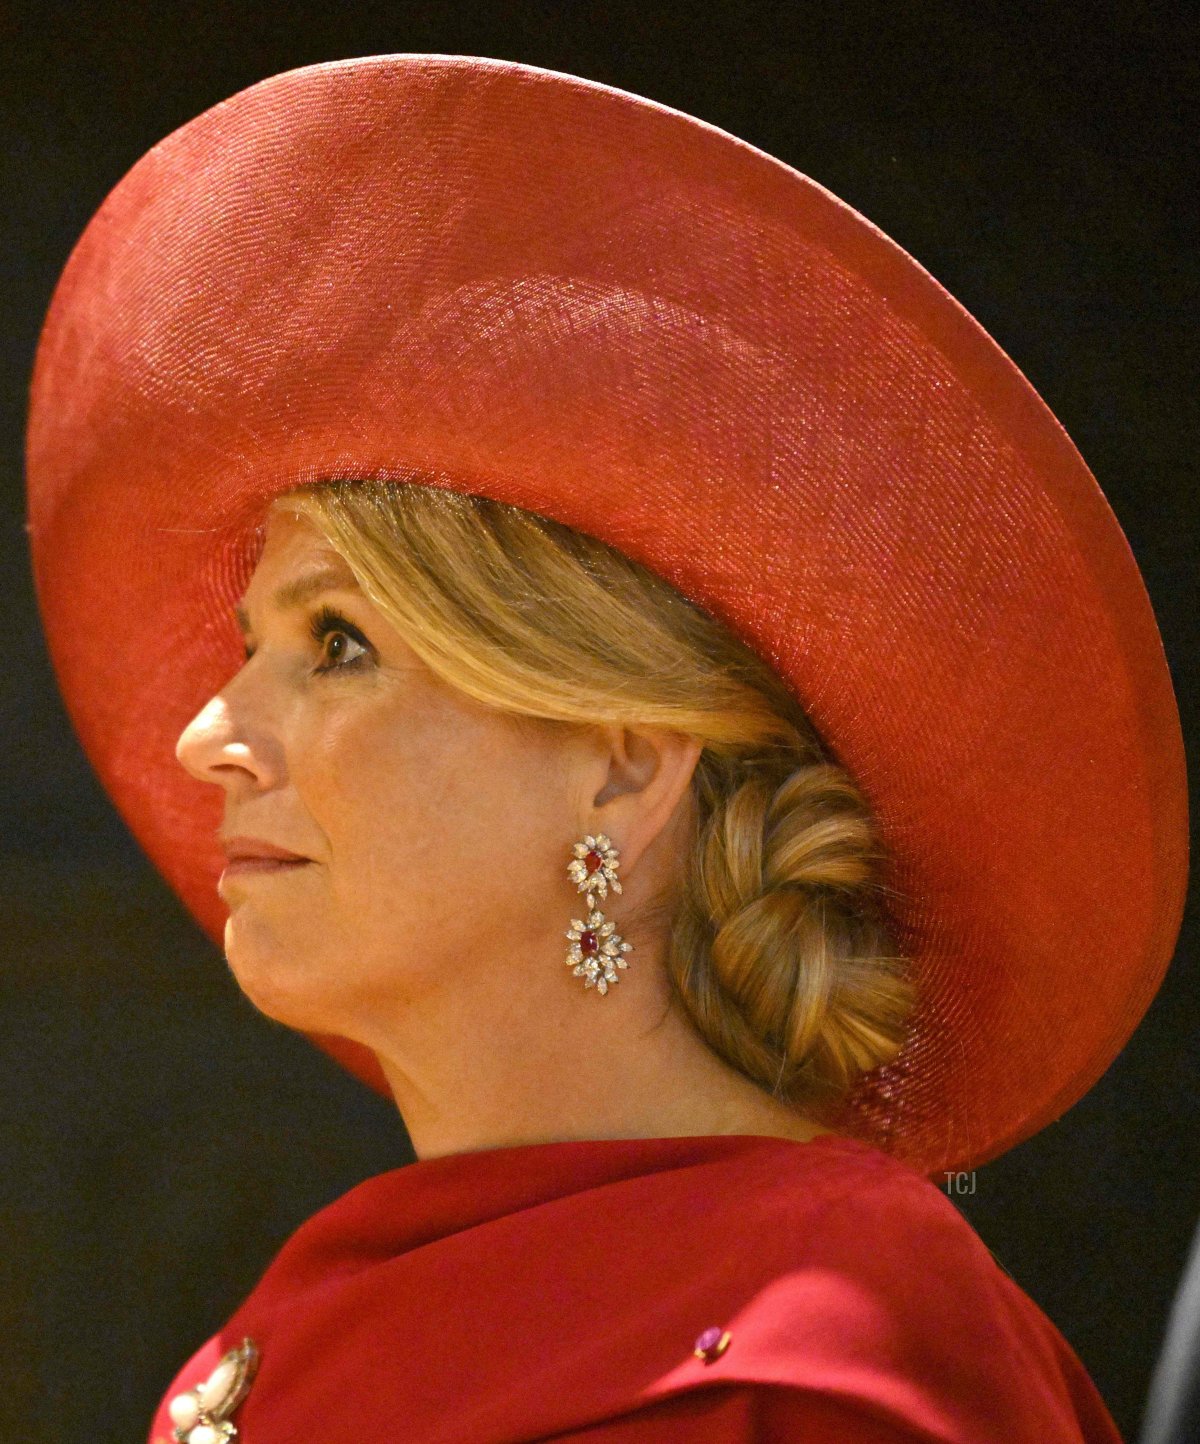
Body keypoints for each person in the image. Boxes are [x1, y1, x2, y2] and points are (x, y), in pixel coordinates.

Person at [23, 52, 1187, 1444]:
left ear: (630, 765)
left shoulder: (833, 1351)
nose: (210, 734)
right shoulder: (289, 1333)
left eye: (338, 643)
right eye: (247, 649)